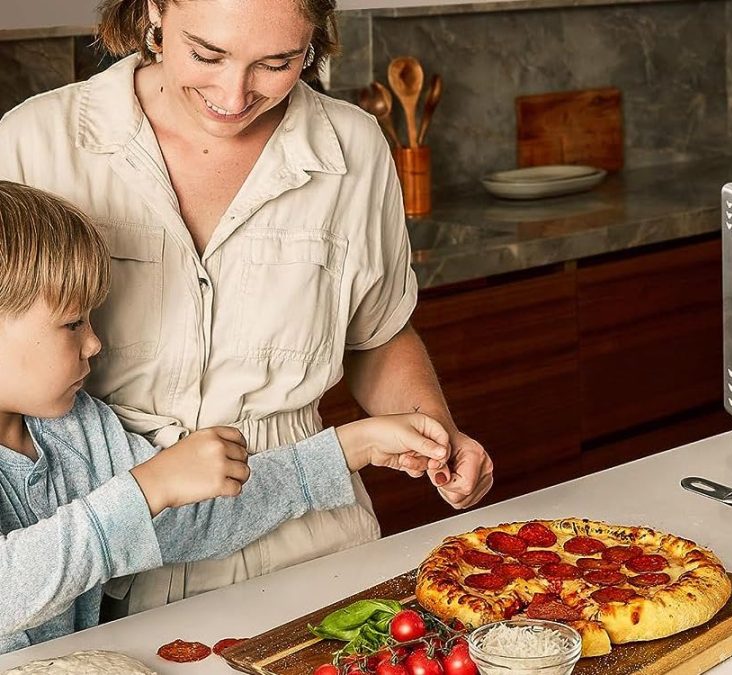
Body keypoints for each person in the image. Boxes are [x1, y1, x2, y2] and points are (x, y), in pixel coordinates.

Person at [0, 0, 493, 614]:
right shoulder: (32, 142)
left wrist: (433, 431)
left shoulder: (355, 147)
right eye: (207, 54)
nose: (234, 96)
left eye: (278, 62)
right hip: (99, 571)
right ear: (154, 9)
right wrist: (145, 488)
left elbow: (377, 334)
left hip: (311, 541)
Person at [0, 180, 454, 654]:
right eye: (73, 324)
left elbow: (185, 522)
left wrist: (347, 448)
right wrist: (148, 486)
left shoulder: (78, 426)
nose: (94, 344)